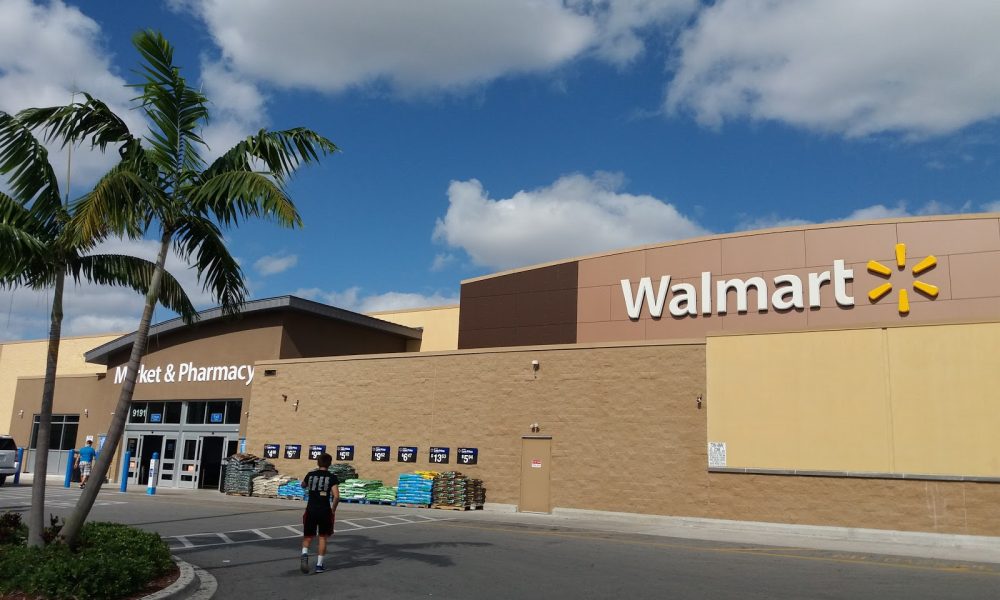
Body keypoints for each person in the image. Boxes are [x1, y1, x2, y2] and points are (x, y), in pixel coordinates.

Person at [300, 452, 339, 574]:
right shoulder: (332, 477)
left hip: (311, 509)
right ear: (330, 463)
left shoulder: (310, 475)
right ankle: (319, 565)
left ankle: (304, 554)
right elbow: (336, 496)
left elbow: (303, 485)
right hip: (324, 510)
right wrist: (333, 509)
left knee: (308, 536)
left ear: (318, 463)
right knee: (322, 537)